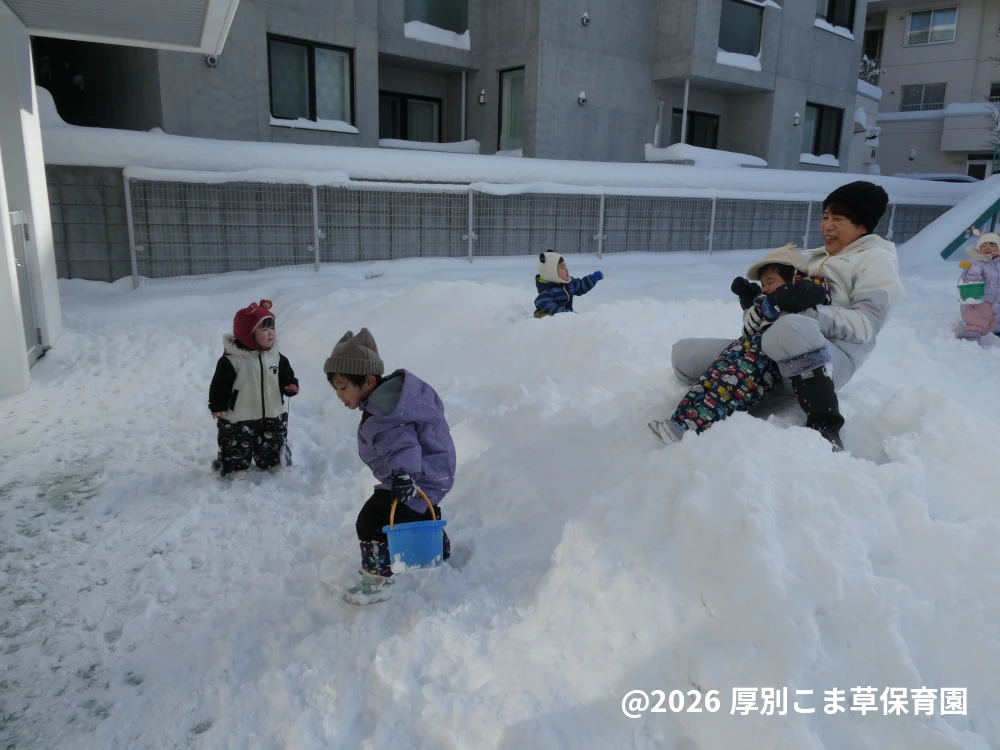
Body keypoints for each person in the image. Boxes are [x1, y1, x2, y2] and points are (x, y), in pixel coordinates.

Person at [669, 181, 904, 450]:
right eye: (825, 216)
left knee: (791, 328)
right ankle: (748, 382)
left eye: (838, 218)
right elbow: (773, 311)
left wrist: (810, 312)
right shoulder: (812, 258)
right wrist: (756, 304)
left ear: (862, 226)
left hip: (829, 360)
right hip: (772, 350)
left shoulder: (876, 261)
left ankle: (824, 426)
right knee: (683, 353)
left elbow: (866, 326)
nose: (827, 225)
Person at [324, 328, 456, 605]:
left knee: (371, 520)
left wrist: (404, 475)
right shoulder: (390, 404)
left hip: (415, 476)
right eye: (335, 387)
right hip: (427, 474)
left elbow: (403, 446)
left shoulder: (385, 414)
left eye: (343, 386)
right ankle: (437, 551)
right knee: (411, 511)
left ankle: (376, 582)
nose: (339, 394)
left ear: (369, 381)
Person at [649, 244, 830, 442]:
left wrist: (787, 294)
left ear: (794, 279)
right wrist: (749, 298)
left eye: (771, 282)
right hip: (741, 352)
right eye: (763, 284)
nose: (766, 288)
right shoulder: (767, 301)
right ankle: (677, 421)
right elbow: (754, 322)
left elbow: (816, 292)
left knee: (726, 394)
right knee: (709, 380)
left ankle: (689, 430)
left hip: (763, 365)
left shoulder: (804, 298)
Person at [209, 300, 298, 479]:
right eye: (264, 329)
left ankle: (271, 461)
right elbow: (219, 385)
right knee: (237, 444)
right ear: (248, 334)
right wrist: (217, 404)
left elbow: (286, 376)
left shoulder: (276, 357)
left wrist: (290, 385)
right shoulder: (232, 361)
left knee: (271, 442)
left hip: (273, 413)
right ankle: (235, 466)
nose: (270, 333)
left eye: (272, 328)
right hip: (240, 416)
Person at [956, 230, 1000, 341]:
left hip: (993, 298)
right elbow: (971, 276)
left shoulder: (996, 263)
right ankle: (970, 337)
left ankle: (993, 330)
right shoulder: (977, 262)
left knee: (991, 318)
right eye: (983, 245)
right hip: (979, 297)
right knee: (978, 317)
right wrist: (975, 277)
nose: (987, 248)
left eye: (992, 245)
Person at [534, 251, 603, 317]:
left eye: (565, 266)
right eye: (562, 268)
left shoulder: (568, 283)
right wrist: (563, 311)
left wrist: (591, 279)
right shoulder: (548, 290)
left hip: (567, 317)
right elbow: (544, 303)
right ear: (552, 273)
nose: (566, 270)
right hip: (550, 321)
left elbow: (580, 287)